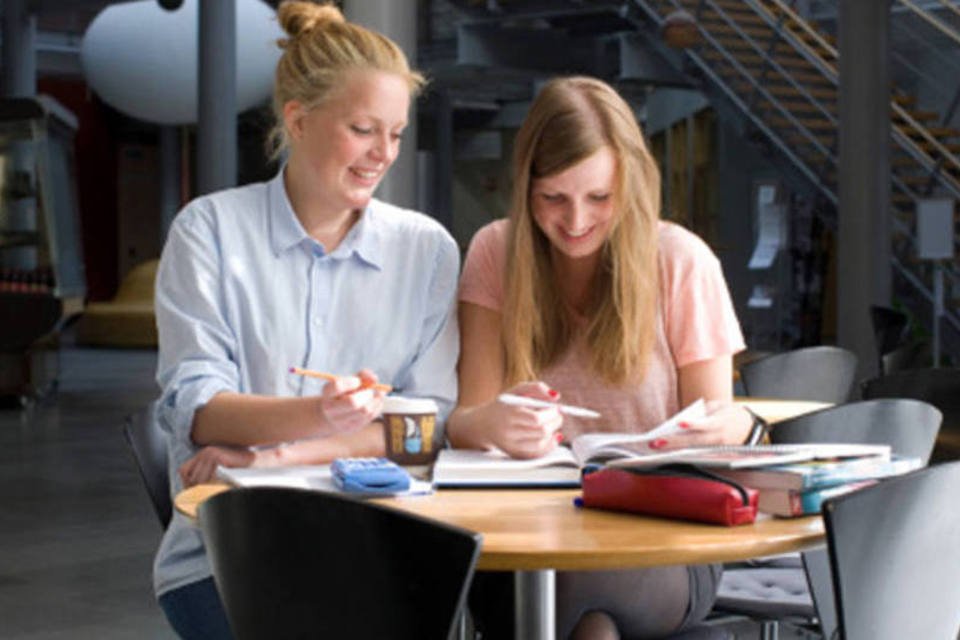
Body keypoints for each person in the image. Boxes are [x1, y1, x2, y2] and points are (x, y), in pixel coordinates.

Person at [152, 2, 459, 638]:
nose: (383, 153)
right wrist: (323, 416)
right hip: (232, 554)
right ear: (298, 119)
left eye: (396, 133)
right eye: (364, 129)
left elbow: (423, 426)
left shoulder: (427, 250)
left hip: (386, 545)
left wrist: (279, 454)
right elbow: (198, 406)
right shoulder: (208, 231)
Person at [447, 76, 753, 639]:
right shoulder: (495, 250)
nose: (576, 221)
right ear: (525, 187)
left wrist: (704, 433)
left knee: (576, 589)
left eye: (599, 198)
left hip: (665, 543)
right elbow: (466, 420)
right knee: (582, 611)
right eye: (553, 198)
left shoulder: (681, 261)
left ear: (630, 185)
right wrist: (497, 421)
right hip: (525, 537)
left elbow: (722, 423)